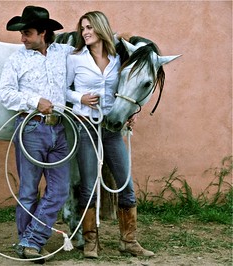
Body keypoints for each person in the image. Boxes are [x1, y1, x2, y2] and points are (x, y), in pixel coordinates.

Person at [66, 11, 154, 258]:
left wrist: (132, 111)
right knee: (88, 187)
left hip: (111, 129)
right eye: (82, 28)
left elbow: (131, 88)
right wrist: (79, 97)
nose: (85, 32)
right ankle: (91, 242)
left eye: (90, 28)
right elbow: (62, 89)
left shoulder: (118, 59)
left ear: (102, 29)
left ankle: (128, 241)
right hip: (85, 127)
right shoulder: (75, 59)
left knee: (125, 184)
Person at [0, 6, 74, 262]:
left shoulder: (63, 53)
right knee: (29, 189)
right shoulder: (16, 59)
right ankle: (28, 243)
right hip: (31, 127)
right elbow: (5, 94)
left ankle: (31, 240)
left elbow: (91, 53)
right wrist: (35, 100)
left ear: (43, 33)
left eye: (27, 33)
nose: (22, 39)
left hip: (60, 128)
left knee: (60, 189)